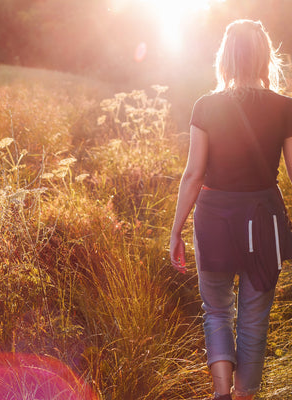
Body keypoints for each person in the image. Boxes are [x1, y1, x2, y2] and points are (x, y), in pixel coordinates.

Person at [170, 19, 292, 400]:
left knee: (217, 312)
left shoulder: (206, 106)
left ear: (225, 57)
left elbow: (193, 175)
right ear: (263, 57)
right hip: (265, 222)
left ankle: (220, 394)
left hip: (214, 220)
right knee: (254, 321)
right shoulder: (286, 107)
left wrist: (175, 230)